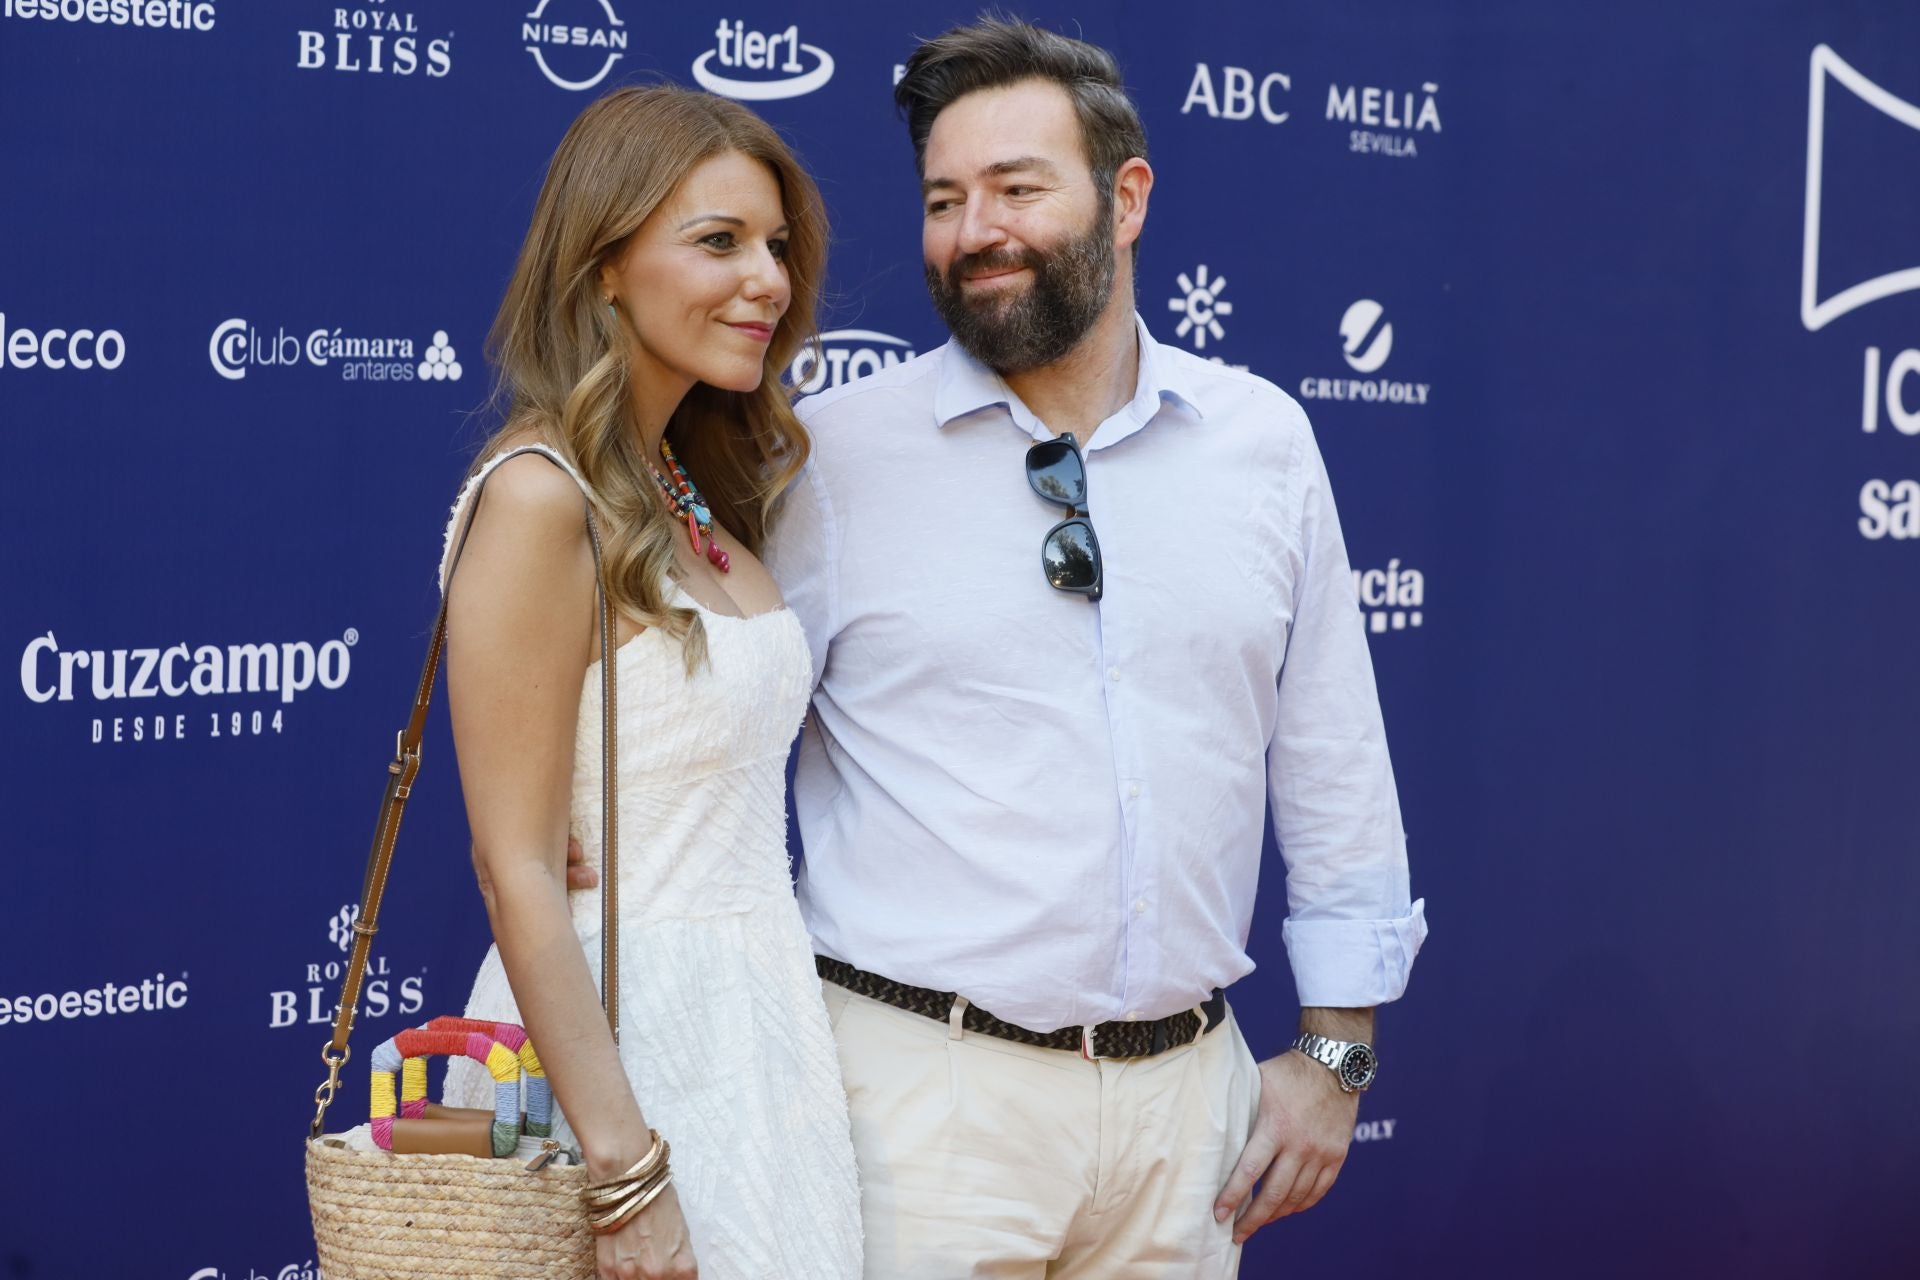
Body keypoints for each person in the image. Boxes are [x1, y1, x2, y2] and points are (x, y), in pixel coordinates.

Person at [769, 18, 1426, 1278]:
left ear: (1126, 199)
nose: (977, 232)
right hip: (911, 1116)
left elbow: (1336, 761)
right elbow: (717, 765)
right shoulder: (830, 459)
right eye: (945, 199)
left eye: (1018, 188)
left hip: (1192, 1123)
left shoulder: (1264, 443)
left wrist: (1338, 1053)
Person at [437, 85, 861, 1280]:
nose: (768, 280)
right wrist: (625, 1170)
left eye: (777, 245)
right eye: (718, 241)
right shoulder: (537, 496)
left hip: (762, 1029)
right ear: (604, 264)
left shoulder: (687, 487)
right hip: (619, 1058)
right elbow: (513, 863)